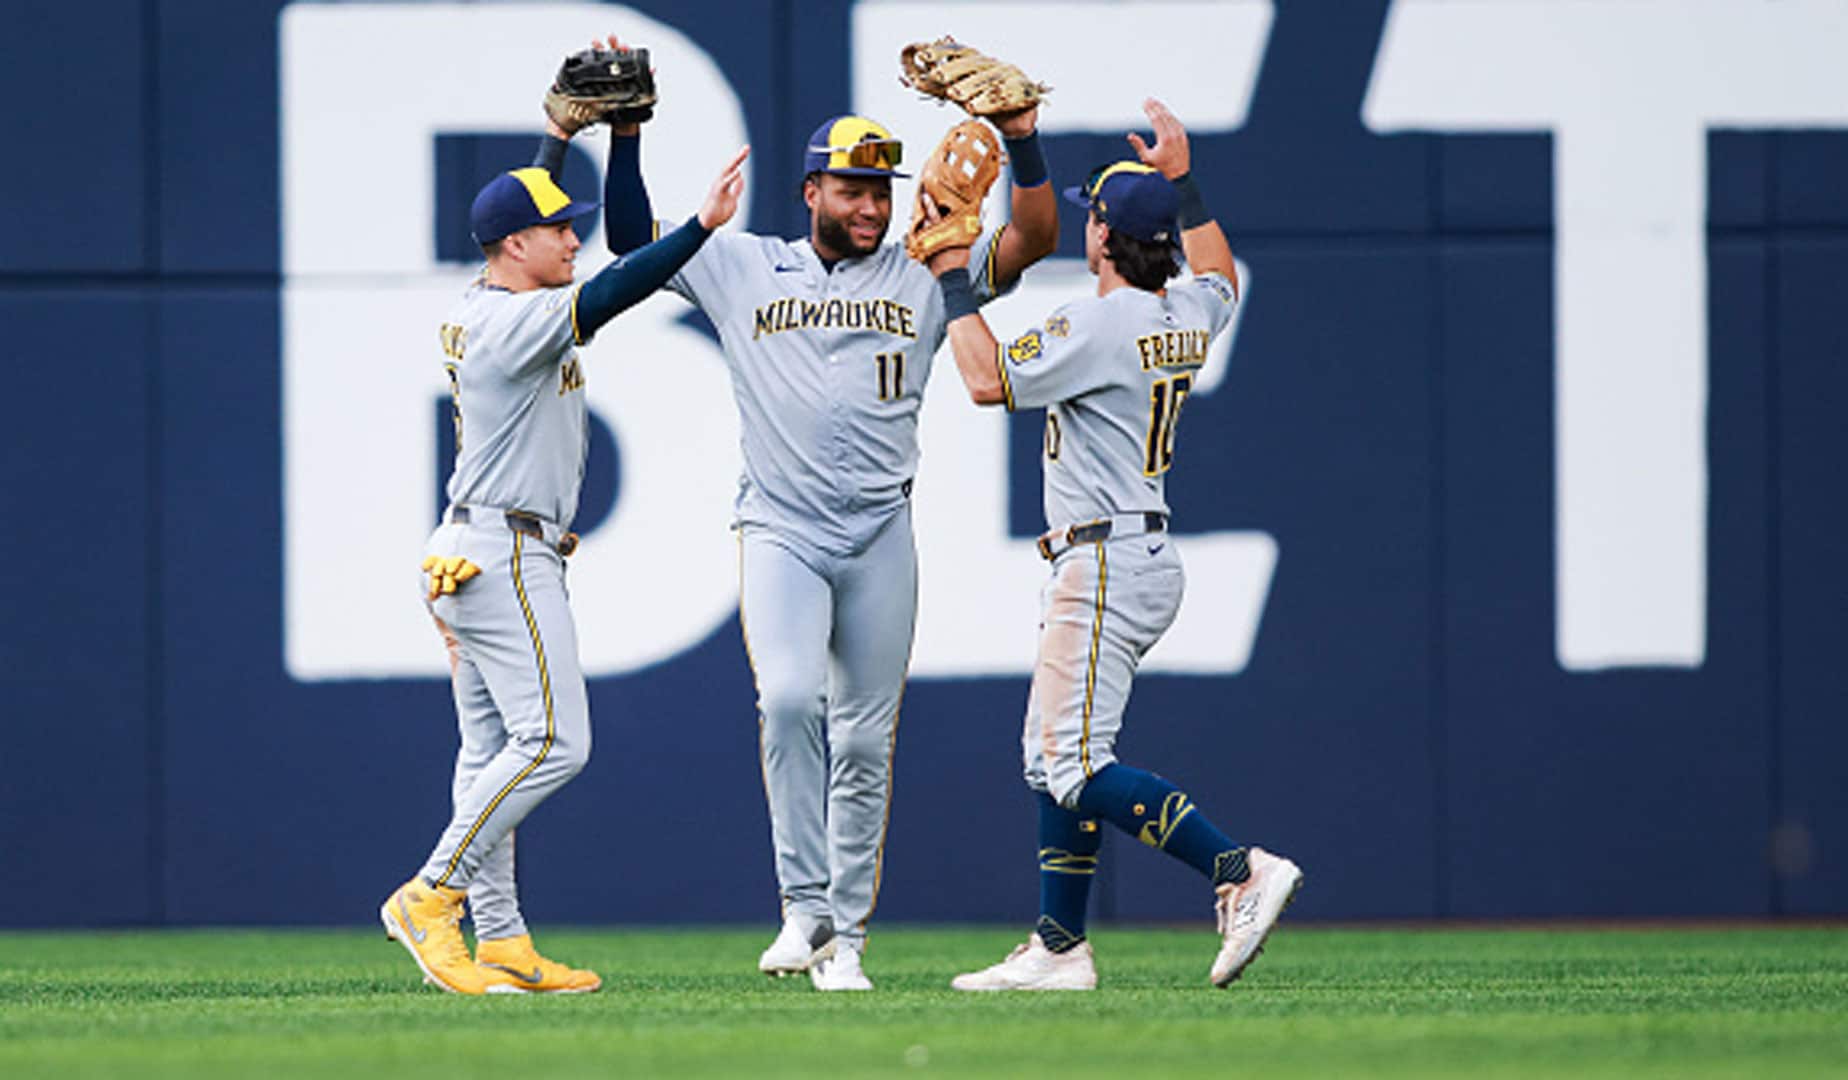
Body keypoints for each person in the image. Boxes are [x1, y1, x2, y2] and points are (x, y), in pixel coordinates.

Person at [607, 105, 1058, 989]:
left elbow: (1035, 237)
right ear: (811, 190)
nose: (871, 207)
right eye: (852, 189)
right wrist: (626, 139)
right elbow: (630, 242)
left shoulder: (925, 267)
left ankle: (845, 939)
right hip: (782, 526)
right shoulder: (744, 264)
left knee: (862, 741)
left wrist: (1024, 139)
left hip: (880, 529)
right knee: (786, 701)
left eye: (880, 192)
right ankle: (804, 908)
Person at [379, 80, 749, 994]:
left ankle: (501, 938)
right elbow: (621, 288)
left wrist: (557, 141)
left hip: (474, 544)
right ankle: (430, 896)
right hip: (504, 553)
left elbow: (522, 220)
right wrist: (700, 227)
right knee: (553, 744)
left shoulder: (488, 295)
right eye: (560, 229)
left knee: (490, 754)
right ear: (517, 246)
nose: (575, 238)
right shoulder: (515, 322)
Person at [924, 99, 1303, 991]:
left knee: (1072, 762)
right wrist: (1185, 182)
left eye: (1091, 217)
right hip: (1135, 552)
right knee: (1049, 758)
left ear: (1100, 235)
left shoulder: (1099, 324)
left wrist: (949, 274)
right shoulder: (1187, 308)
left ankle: (1238, 869)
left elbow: (983, 380)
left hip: (1103, 560)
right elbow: (1222, 275)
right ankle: (1059, 946)